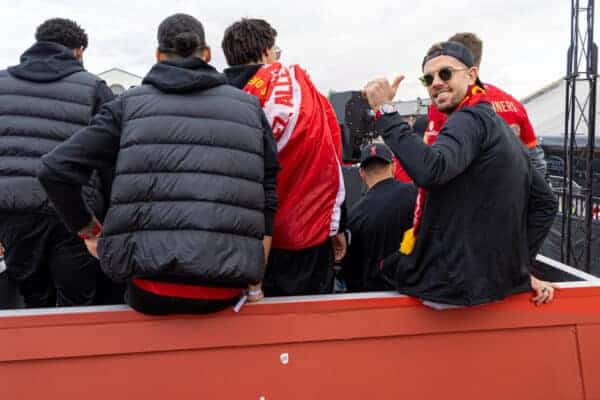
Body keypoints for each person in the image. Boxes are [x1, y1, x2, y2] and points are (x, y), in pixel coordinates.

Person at [38, 13, 280, 314]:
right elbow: (268, 190)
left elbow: (54, 169)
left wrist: (90, 231)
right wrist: (256, 278)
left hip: (148, 288)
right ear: (206, 54)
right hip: (224, 286)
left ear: (157, 55)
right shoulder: (249, 107)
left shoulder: (127, 107)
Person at [362, 41, 557, 306]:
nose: (436, 83)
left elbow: (431, 169)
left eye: (445, 73)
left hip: (447, 286)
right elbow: (545, 203)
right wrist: (516, 268)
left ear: (472, 75)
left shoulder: (469, 119)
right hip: (487, 288)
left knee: (376, 270)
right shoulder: (498, 128)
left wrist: (385, 112)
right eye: (428, 78)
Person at [0, 18, 120, 307]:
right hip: (74, 213)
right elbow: (109, 162)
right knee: (77, 304)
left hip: (12, 212)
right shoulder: (94, 88)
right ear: (78, 51)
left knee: (31, 300)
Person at [222, 18, 346, 296]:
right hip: (306, 238)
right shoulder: (302, 90)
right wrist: (338, 224)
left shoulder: (218, 98)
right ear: (267, 52)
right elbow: (331, 157)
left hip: (239, 242)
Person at [425, 32, 547, 177]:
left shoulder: (445, 104)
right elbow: (536, 161)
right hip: (512, 192)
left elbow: (431, 164)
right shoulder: (513, 103)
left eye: (446, 71)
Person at [342, 143, 416, 292]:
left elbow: (351, 269)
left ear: (361, 173)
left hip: (376, 296)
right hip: (416, 288)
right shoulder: (416, 195)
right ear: (393, 166)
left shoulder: (355, 215)